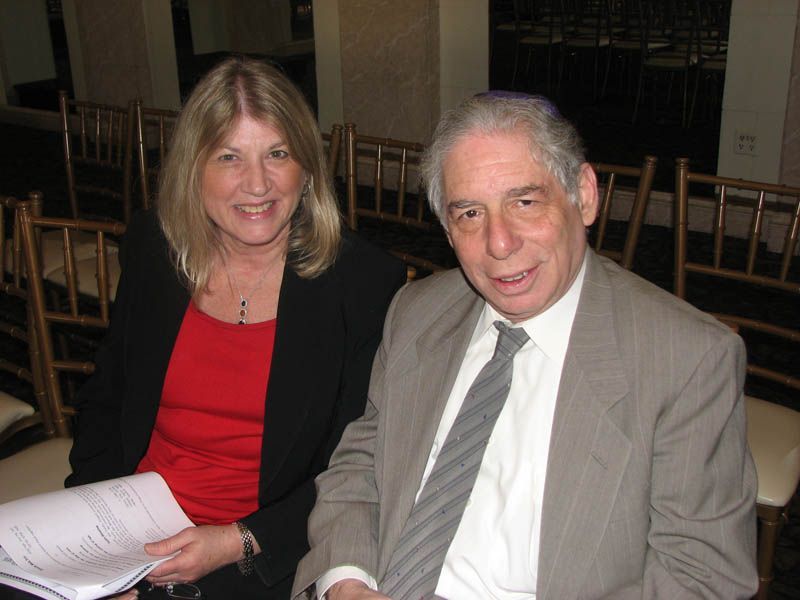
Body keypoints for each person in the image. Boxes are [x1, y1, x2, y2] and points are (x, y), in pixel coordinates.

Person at [291, 93, 758, 599]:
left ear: (584, 195)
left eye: (525, 201)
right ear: (447, 230)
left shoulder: (685, 360)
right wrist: (346, 582)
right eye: (470, 212)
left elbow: (702, 579)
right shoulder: (417, 311)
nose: (499, 242)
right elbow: (361, 463)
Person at [60, 56, 406, 599]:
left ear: (307, 168)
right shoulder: (155, 249)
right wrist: (100, 545)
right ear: (192, 169)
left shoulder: (362, 283)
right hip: (132, 530)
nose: (257, 184)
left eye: (277, 154)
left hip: (262, 550)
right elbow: (108, 397)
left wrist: (239, 540)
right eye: (229, 157)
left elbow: (353, 465)